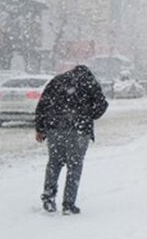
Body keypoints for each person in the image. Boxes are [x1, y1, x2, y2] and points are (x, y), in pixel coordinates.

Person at [34, 65, 108, 215]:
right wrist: (89, 115)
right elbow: (102, 105)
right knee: (74, 166)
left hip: (55, 128)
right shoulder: (90, 82)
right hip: (79, 129)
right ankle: (68, 204)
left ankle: (48, 198)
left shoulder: (57, 80)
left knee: (54, 163)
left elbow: (42, 104)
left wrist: (40, 128)